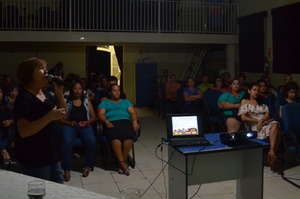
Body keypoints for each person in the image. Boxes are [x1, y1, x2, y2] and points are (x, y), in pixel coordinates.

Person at [13, 57, 66, 183]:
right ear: (29, 74)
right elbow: (24, 131)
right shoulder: (25, 98)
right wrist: (49, 117)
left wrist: (59, 94)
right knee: (40, 191)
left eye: (46, 68)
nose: (46, 72)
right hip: (36, 156)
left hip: (52, 153)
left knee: (57, 190)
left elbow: (62, 115)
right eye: (41, 69)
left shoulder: (45, 93)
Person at [238, 82, 281, 172]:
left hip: (264, 124)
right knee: (277, 131)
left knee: (275, 124)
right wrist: (258, 121)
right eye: (254, 90)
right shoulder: (245, 101)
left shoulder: (261, 101)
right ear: (249, 91)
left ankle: (271, 151)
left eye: (257, 90)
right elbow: (243, 117)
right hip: (254, 128)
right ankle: (272, 154)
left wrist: (262, 120)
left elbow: (267, 113)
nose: (256, 92)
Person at [98, 84, 139, 176]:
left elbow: (133, 113)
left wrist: (135, 122)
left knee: (129, 135)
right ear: (110, 93)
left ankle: (120, 162)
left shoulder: (126, 102)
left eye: (118, 90)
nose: (117, 92)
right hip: (111, 122)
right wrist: (106, 122)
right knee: (115, 137)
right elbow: (100, 114)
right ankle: (123, 164)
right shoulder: (105, 103)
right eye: (114, 90)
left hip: (125, 122)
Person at [60, 80, 96, 181]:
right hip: (70, 125)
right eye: (75, 88)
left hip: (84, 125)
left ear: (82, 90)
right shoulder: (66, 101)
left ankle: (88, 166)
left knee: (91, 140)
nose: (77, 90)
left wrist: (88, 122)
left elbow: (93, 117)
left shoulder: (86, 101)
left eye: (79, 89)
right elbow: (60, 118)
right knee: (67, 141)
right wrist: (68, 123)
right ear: (71, 89)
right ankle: (66, 169)